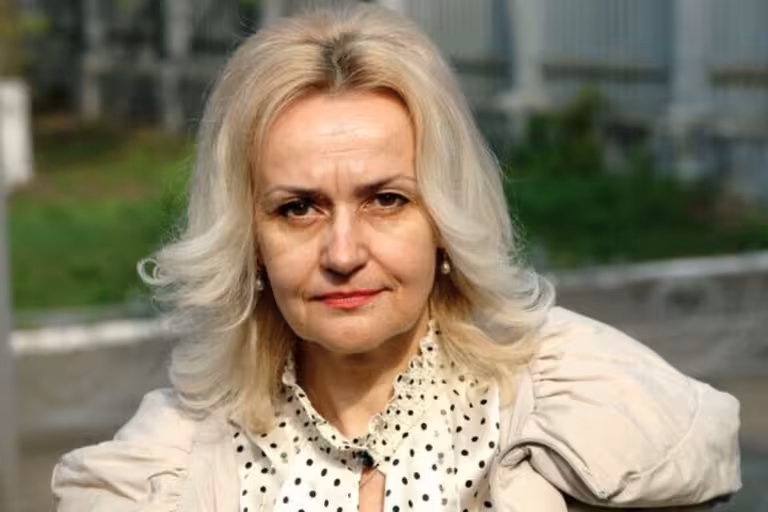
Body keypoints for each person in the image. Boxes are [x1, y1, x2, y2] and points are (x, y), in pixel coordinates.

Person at [52, 5, 740, 511]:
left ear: (444, 219)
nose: (343, 253)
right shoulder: (167, 467)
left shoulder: (577, 407)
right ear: (248, 240)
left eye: (385, 200)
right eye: (298, 208)